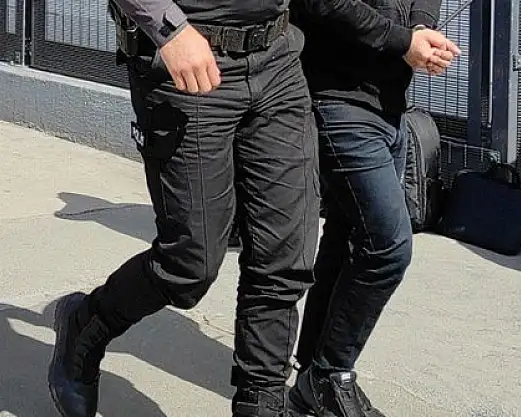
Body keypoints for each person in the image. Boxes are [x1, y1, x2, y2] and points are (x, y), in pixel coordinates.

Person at [45, 0, 459, 414]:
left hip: (277, 59)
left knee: (284, 259)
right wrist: (170, 30)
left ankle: (262, 402)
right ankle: (86, 325)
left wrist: (413, 27)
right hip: (191, 56)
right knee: (189, 265)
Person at [285, 2, 459, 416]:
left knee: (347, 238)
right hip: (338, 97)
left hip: (390, 106)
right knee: (389, 245)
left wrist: (422, 30)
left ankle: (313, 378)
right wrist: (404, 41)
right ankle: (330, 373)